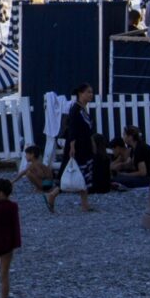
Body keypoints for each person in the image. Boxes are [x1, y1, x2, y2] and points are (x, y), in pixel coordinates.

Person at [47, 84, 96, 213]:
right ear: (81, 93)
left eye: (91, 92)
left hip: (84, 144)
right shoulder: (75, 109)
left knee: (83, 173)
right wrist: (72, 146)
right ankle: (53, 194)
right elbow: (72, 129)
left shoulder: (83, 109)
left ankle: (85, 203)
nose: (91, 95)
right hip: (77, 145)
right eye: (88, 92)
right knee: (73, 170)